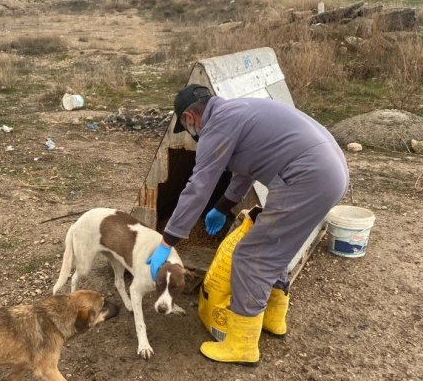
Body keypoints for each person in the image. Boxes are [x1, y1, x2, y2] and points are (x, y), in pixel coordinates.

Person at [147, 84, 349, 364]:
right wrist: (222, 207)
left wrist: (167, 241)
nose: (192, 136)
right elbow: (246, 169)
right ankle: (273, 319)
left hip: (307, 177)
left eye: (187, 129)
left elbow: (198, 186)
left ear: (189, 118)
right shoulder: (238, 112)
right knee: (275, 249)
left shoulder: (216, 127)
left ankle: (241, 346)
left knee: (251, 256)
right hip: (331, 173)